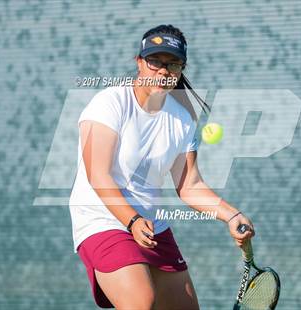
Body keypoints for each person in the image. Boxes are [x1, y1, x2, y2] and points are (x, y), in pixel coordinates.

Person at [69, 24, 255, 309]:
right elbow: (98, 174)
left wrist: (231, 215)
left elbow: (190, 186)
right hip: (102, 219)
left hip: (150, 225)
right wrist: (131, 220)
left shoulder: (181, 120)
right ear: (139, 62)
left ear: (181, 69)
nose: (163, 71)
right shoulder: (108, 104)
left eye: (172, 64)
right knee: (142, 303)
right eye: (154, 61)